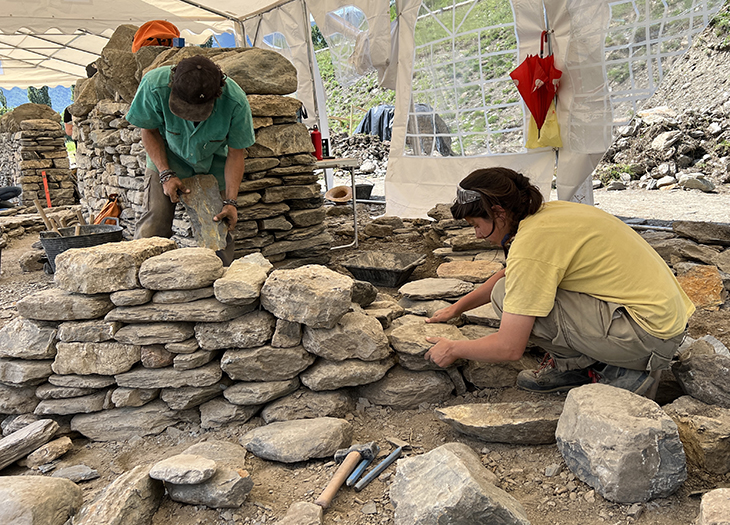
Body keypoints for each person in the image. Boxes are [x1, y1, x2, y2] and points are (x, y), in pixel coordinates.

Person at [423, 167, 695, 395]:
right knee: (508, 290)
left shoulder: (532, 243)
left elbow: (509, 347)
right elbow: (510, 273)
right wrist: (456, 308)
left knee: (506, 297)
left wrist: (455, 348)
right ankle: (597, 362)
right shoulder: (549, 215)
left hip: (649, 337)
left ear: (498, 212)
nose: (478, 235)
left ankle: (617, 369)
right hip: (661, 321)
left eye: (476, 224)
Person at [125, 55, 255, 265]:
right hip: (166, 156)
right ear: (172, 83)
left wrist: (231, 202)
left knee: (218, 229)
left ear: (217, 94)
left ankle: (222, 281)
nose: (191, 118)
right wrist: (165, 173)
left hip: (213, 162)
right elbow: (148, 131)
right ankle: (139, 277)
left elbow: (236, 154)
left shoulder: (236, 102)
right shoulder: (153, 85)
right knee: (154, 224)